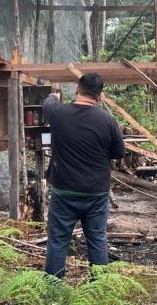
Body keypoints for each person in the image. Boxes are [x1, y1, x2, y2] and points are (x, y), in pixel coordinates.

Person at [42, 72, 126, 278]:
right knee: (97, 239)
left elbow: (47, 103)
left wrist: (54, 95)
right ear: (99, 96)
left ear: (77, 89)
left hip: (64, 191)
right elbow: (118, 153)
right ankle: (99, 290)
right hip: (96, 192)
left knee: (58, 241)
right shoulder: (108, 120)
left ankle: (53, 289)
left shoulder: (58, 113)